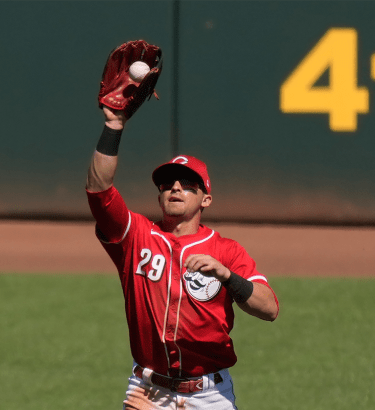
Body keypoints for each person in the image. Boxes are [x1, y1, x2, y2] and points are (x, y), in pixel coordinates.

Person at [86, 105, 280, 410]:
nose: (176, 187)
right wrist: (113, 125)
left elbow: (269, 308)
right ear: (159, 195)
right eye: (168, 184)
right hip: (148, 391)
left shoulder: (226, 251)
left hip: (209, 396)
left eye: (188, 184)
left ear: (206, 199)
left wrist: (227, 276)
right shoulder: (134, 235)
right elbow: (99, 189)